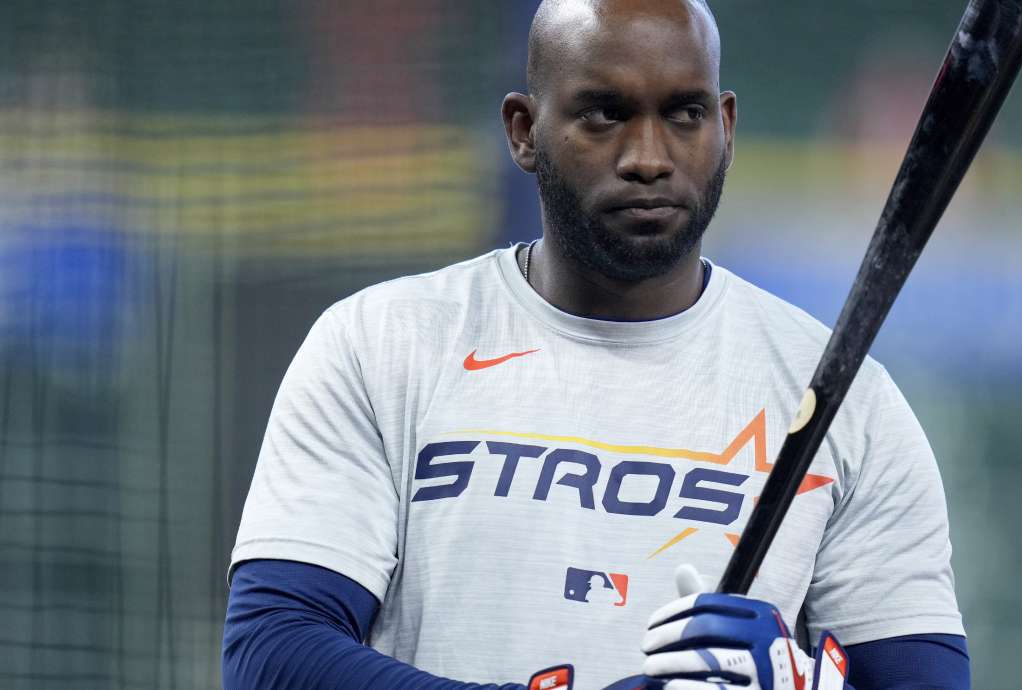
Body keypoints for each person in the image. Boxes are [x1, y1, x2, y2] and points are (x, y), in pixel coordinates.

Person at [222, 1, 970, 688]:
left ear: (727, 126)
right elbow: (273, 652)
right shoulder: (382, 344)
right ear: (523, 130)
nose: (649, 155)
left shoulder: (848, 402)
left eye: (684, 113)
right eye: (605, 115)